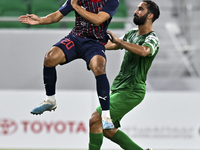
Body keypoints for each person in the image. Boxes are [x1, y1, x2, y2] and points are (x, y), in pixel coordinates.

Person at [18, 0, 119, 129]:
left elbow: (98, 20)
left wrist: (76, 6)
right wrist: (40, 20)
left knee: (99, 67)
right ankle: (50, 100)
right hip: (75, 38)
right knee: (50, 58)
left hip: (95, 42)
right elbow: (57, 15)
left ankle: (106, 117)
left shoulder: (111, 1)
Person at [88, 0, 160, 150]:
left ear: (150, 15)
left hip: (133, 90)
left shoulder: (152, 38)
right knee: (107, 130)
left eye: (140, 9)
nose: (136, 11)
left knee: (96, 119)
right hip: (120, 88)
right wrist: (91, 42)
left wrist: (120, 41)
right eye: (136, 8)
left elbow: (144, 51)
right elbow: (111, 45)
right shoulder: (131, 34)